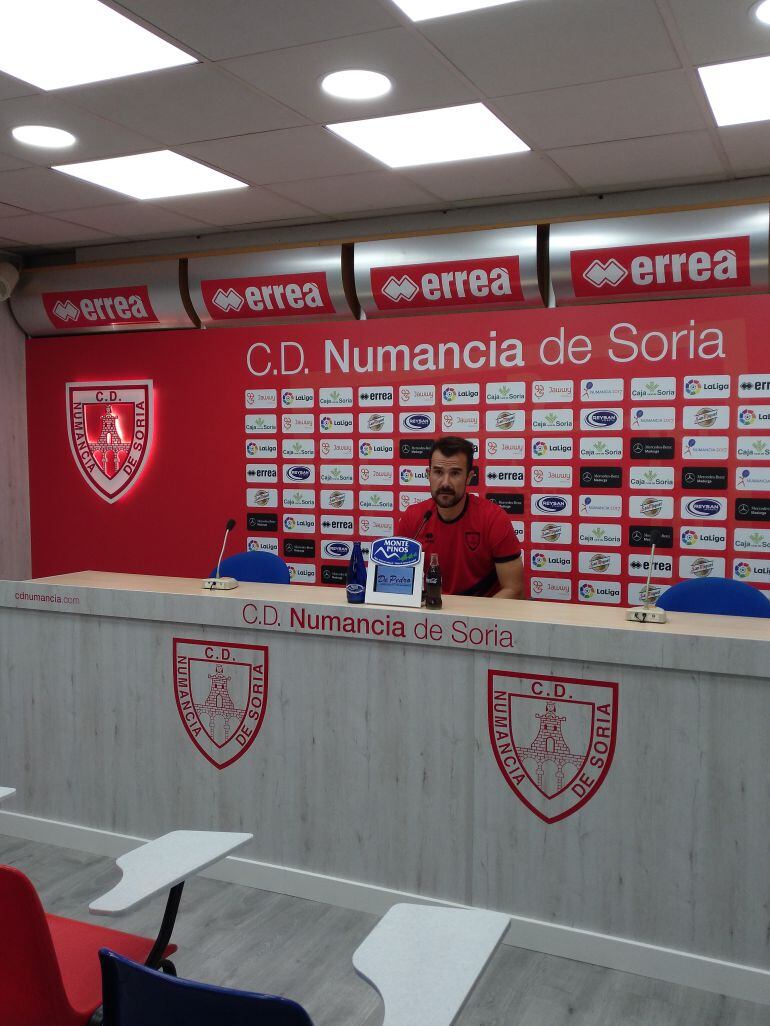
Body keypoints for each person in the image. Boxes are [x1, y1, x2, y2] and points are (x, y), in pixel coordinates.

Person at [397, 436, 523, 599]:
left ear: (469, 477)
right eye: (438, 472)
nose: (445, 483)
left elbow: (514, 589)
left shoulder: (493, 518)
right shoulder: (413, 517)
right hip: (429, 615)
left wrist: (472, 620)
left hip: (480, 616)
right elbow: (398, 582)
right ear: (428, 474)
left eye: (455, 473)